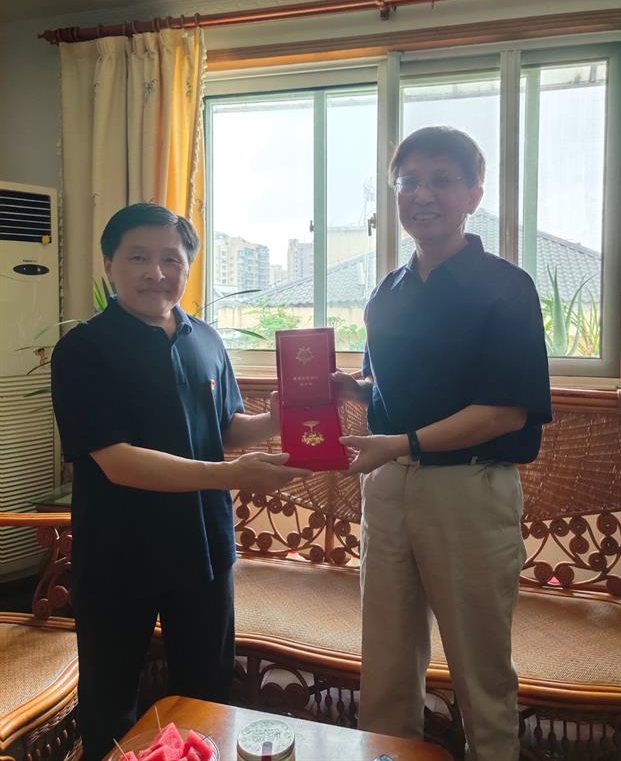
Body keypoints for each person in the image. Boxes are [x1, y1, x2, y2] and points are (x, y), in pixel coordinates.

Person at [51, 203, 310, 761]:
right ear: (109, 265)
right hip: (119, 555)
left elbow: (226, 427)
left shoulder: (205, 339)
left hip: (204, 551)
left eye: (171, 259)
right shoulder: (83, 350)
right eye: (138, 258)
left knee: (206, 696)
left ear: (188, 266)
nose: (156, 272)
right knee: (111, 704)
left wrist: (279, 419)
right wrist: (231, 475)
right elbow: (117, 461)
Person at [334, 127, 551, 761]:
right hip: (388, 486)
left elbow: (505, 411)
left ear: (474, 194)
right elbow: (387, 386)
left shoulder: (506, 286)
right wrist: (352, 388)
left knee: (480, 668)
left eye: (441, 180)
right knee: (386, 661)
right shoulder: (388, 291)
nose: (422, 195)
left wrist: (401, 443)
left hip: (468, 489)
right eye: (408, 182)